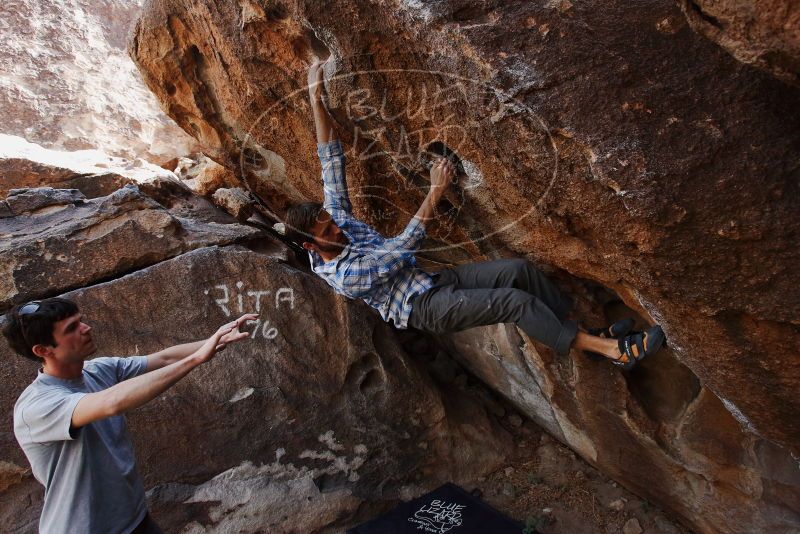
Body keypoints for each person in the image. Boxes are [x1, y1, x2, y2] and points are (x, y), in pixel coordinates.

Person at [285, 59, 665, 369]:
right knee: (515, 303)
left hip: (433, 280)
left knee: (519, 271)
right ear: (311, 246)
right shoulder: (345, 277)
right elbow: (403, 248)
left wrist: (316, 101)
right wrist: (435, 191)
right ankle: (615, 352)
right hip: (423, 307)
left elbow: (330, 160)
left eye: (331, 219)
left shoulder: (333, 218)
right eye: (329, 230)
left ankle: (588, 333)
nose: (338, 226)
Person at [2, 297, 256, 534]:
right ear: (42, 350)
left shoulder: (97, 370)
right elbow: (112, 402)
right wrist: (196, 359)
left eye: (80, 320)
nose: (86, 328)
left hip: (135, 519)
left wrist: (218, 339)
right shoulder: (37, 406)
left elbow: (164, 358)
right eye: (71, 328)